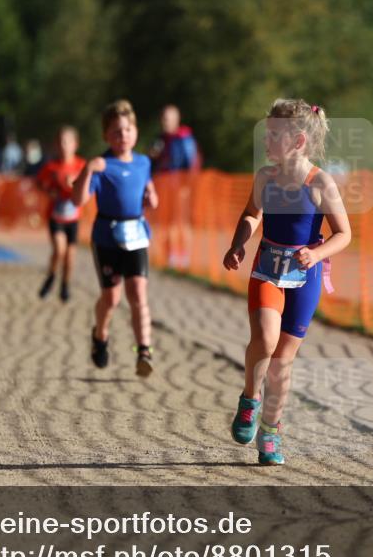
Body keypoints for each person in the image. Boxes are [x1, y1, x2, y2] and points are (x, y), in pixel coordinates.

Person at [222, 99, 351, 465]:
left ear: (297, 141)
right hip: (267, 267)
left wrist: (318, 254)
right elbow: (252, 213)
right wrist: (238, 244)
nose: (265, 140)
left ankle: (271, 432)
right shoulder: (265, 177)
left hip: (303, 276)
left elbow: (344, 234)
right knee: (264, 338)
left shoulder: (321, 183)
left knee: (282, 363)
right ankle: (250, 399)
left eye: (272, 135)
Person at [72, 100, 159, 378]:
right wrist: (87, 169)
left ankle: (143, 350)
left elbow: (149, 190)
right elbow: (79, 199)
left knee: (138, 293)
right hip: (107, 237)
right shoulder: (102, 165)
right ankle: (100, 335)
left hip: (135, 234)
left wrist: (152, 197)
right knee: (111, 298)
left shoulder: (144, 162)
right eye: (116, 131)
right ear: (106, 136)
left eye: (127, 130)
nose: (123, 136)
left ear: (135, 131)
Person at [36, 126, 86, 303]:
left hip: (73, 217)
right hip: (56, 216)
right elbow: (40, 183)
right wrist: (51, 191)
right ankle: (51, 276)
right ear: (57, 145)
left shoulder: (81, 165)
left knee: (70, 257)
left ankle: (65, 284)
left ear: (76, 144)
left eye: (68, 141)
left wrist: (76, 186)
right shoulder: (51, 167)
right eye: (62, 142)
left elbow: (88, 190)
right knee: (59, 249)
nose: (65, 145)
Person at [150, 104, 201, 268]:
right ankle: (170, 256)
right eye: (163, 118)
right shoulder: (161, 139)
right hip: (164, 188)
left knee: (181, 222)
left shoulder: (184, 139)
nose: (164, 122)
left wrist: (187, 187)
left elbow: (191, 164)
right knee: (168, 222)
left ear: (176, 119)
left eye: (168, 118)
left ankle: (183, 257)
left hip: (180, 187)